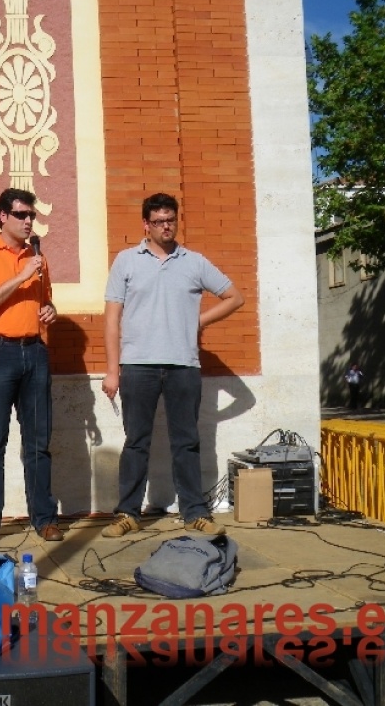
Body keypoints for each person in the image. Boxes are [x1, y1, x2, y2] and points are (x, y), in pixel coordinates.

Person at [100, 192, 244, 538]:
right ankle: (127, 514)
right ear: (146, 225)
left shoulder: (193, 262)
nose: (167, 226)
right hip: (138, 365)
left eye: (171, 220)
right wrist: (112, 370)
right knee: (136, 442)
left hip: (183, 365)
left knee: (187, 442)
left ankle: (194, 511)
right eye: (159, 221)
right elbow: (111, 319)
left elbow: (234, 297)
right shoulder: (126, 261)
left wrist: (199, 322)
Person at [0, 187, 61, 546]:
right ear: (2, 216)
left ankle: (45, 518)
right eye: (21, 215)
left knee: (38, 442)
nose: (28, 221)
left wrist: (50, 310)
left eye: (31, 215)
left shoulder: (37, 255)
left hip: (34, 351)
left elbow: (45, 299)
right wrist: (21, 277)